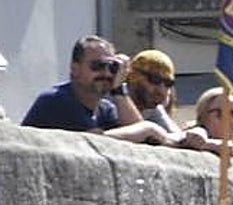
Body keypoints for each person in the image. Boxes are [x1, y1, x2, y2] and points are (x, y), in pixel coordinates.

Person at [23, 36, 174, 144]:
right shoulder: (57, 100)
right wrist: (148, 129)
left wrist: (119, 89)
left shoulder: (105, 108)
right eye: (98, 66)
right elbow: (92, 142)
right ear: (75, 69)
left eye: (112, 67)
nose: (107, 73)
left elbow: (141, 141)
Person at [120, 51, 181, 134]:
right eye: (155, 80)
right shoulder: (110, 101)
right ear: (133, 77)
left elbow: (176, 136)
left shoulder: (151, 108)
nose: (162, 91)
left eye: (168, 83)